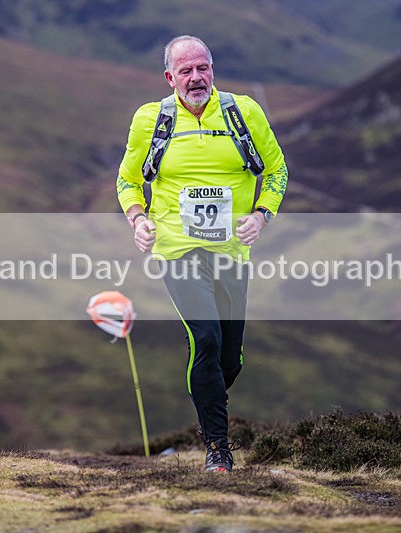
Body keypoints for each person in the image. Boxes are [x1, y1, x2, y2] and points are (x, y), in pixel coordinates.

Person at [116, 35, 288, 472]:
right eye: (186, 71)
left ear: (212, 70)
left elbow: (276, 170)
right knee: (206, 339)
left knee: (230, 357)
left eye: (203, 68)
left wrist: (262, 215)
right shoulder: (151, 119)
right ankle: (218, 448)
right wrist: (139, 220)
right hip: (177, 247)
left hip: (231, 250)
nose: (196, 78)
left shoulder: (243, 112)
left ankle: (207, 401)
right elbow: (128, 181)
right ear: (170, 77)